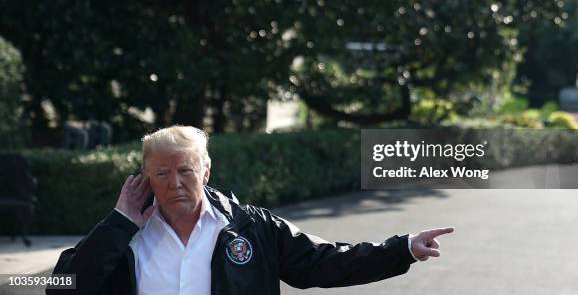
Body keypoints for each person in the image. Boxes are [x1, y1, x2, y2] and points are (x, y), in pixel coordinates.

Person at [47, 125, 453, 295]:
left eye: (186, 170)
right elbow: (61, 286)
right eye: (162, 173)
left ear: (206, 170)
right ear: (145, 176)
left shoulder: (249, 226)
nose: (175, 183)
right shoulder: (124, 232)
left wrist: (401, 249)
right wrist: (117, 224)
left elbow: (323, 263)